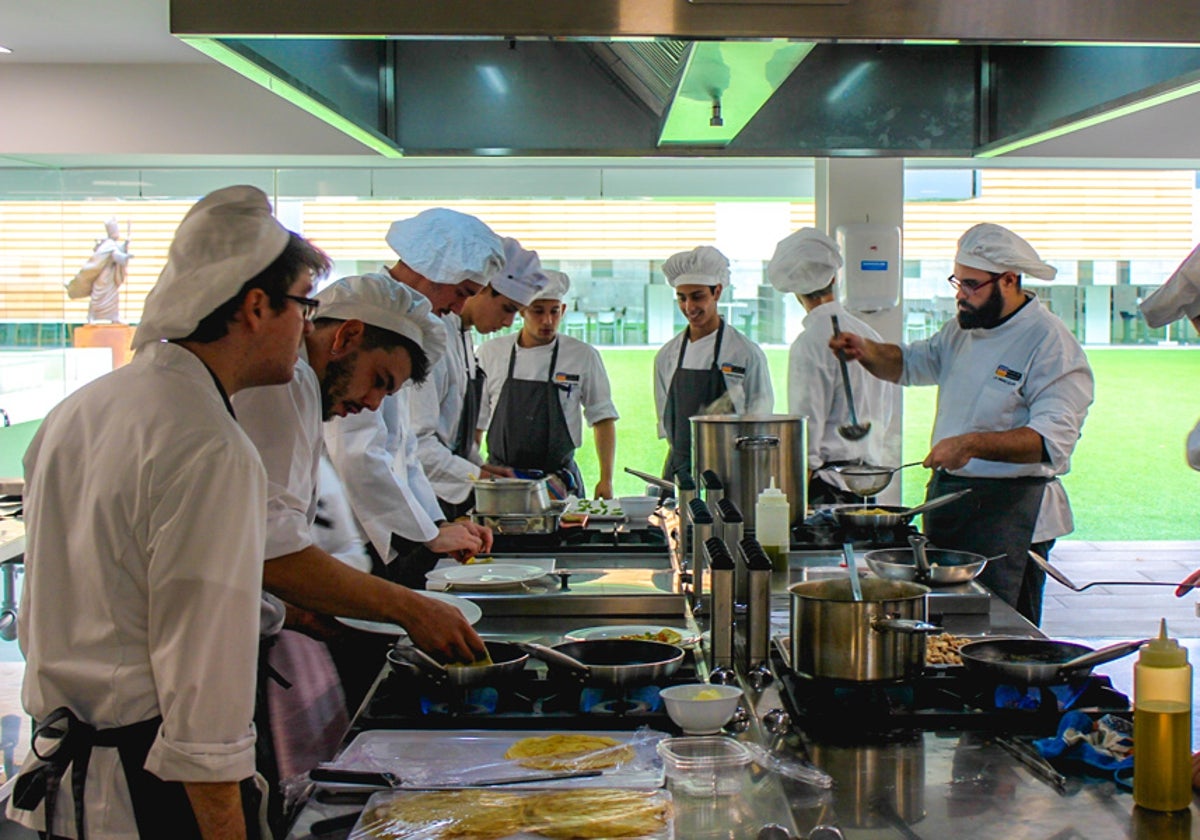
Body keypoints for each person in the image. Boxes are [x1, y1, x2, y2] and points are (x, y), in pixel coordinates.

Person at [10, 185, 327, 838]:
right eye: (304, 305)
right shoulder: (209, 444)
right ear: (256, 306)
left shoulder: (84, 409)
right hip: (144, 795)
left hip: (52, 784)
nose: (308, 327)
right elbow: (203, 691)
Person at [232, 273, 487, 829]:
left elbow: (272, 539)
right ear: (346, 335)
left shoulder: (301, 389)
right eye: (377, 381)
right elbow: (275, 553)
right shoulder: (289, 384)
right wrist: (408, 606)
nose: (370, 401)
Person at [829, 223, 1094, 625]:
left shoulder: (1050, 343)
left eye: (971, 285)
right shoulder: (963, 330)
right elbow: (912, 362)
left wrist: (971, 444)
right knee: (952, 624)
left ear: (1008, 280)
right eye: (958, 281)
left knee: (1003, 632)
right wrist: (866, 350)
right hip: (954, 503)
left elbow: (1049, 441)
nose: (960, 295)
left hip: (1013, 517)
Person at [324, 208, 503, 582]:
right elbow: (357, 450)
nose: (458, 308)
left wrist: (434, 524)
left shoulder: (409, 320)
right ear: (434, 271)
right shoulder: (373, 313)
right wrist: (426, 533)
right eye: (461, 293)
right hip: (341, 534)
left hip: (371, 528)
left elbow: (402, 450)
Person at [409, 237, 549, 518]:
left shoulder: (464, 336)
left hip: (449, 494)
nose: (509, 323)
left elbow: (455, 433)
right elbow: (417, 444)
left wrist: (481, 467)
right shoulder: (435, 337)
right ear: (482, 290)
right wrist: (480, 478)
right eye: (508, 309)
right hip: (424, 498)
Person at [767, 227, 899, 505]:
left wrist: (795, 495)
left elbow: (807, 427)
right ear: (834, 277)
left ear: (793, 291)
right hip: (865, 483)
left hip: (828, 488)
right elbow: (885, 410)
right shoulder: (868, 335)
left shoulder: (809, 344)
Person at [477, 269, 620, 499]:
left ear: (563, 310)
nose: (547, 320)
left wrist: (606, 479)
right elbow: (478, 420)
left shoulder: (582, 355)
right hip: (501, 480)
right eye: (538, 311)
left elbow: (602, 416)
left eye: (554, 311)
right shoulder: (490, 353)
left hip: (558, 483)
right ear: (522, 309)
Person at [653, 245, 774, 480]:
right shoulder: (666, 356)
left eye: (697, 296)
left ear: (717, 292)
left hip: (731, 469)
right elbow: (667, 423)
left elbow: (760, 418)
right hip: (680, 471)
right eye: (682, 298)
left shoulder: (746, 353)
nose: (689, 307)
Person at [66, 217, 132, 322]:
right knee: (97, 296)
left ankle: (114, 317)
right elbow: (115, 255)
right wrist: (124, 257)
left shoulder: (114, 244)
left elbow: (120, 249)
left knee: (113, 297)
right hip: (102, 275)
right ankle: (92, 316)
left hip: (111, 276)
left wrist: (126, 244)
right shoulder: (108, 244)